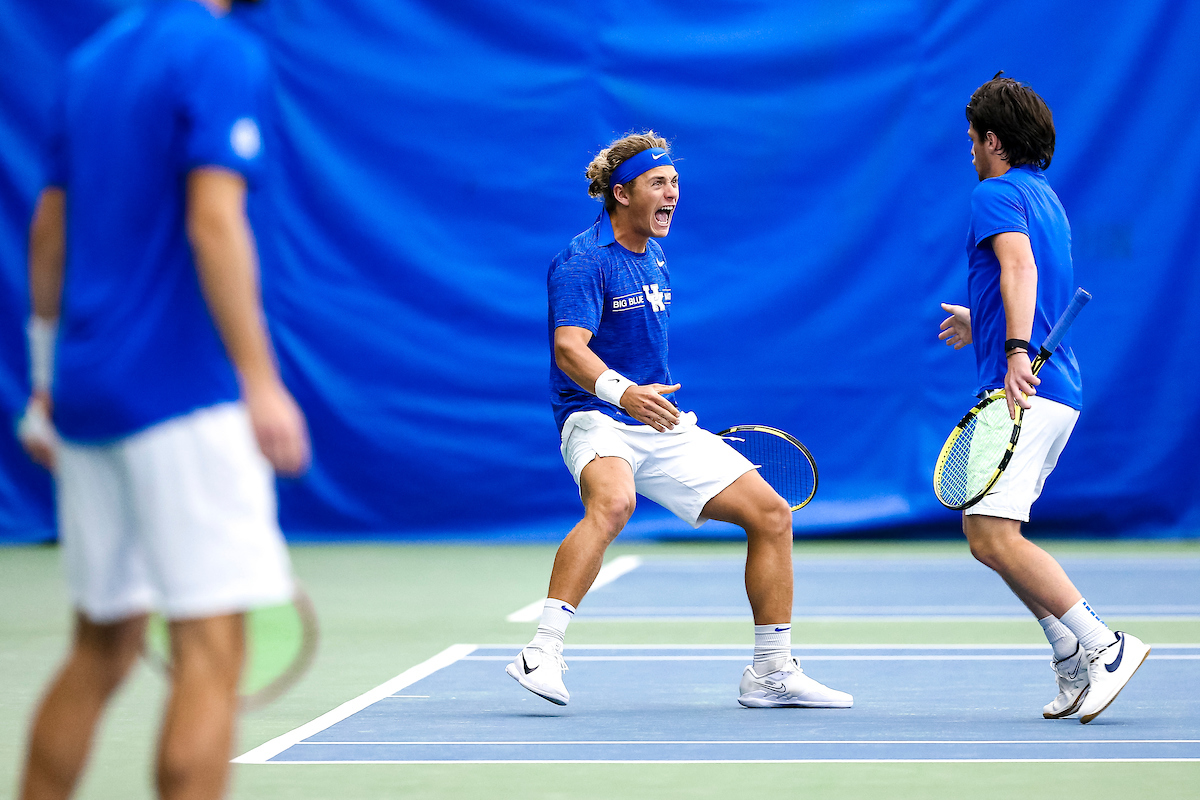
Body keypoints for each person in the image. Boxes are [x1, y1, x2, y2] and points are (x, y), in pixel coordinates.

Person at [16, 0, 310, 797]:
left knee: (101, 647)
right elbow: (214, 221)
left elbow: (50, 229)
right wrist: (257, 378)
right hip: (187, 397)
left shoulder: (91, 61)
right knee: (212, 653)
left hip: (85, 398)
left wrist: (44, 382)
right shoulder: (218, 53)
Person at [506, 131, 851, 711]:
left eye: (674, 183)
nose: (673, 194)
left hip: (659, 421)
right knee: (613, 503)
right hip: (595, 416)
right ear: (621, 193)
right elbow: (569, 348)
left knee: (769, 515)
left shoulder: (656, 254)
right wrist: (623, 393)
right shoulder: (583, 260)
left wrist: (647, 404)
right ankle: (542, 650)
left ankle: (770, 672)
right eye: (658, 183)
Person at [938, 73, 1147, 724]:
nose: (970, 152)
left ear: (992, 141)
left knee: (996, 535)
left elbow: (1019, 270)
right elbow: (1037, 280)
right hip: (1052, 386)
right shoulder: (1044, 197)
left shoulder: (994, 192)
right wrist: (988, 323)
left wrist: (1016, 352)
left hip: (1027, 386)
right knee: (984, 533)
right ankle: (1068, 656)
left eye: (973, 141)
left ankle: (1104, 646)